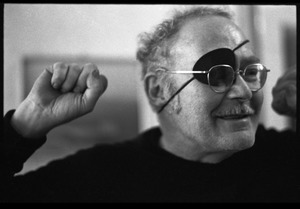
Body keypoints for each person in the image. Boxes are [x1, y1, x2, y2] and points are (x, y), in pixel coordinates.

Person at [1, 6, 298, 202]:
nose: (245, 90)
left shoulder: (288, 159)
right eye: (218, 74)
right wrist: (23, 126)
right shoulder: (99, 178)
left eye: (250, 71)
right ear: (158, 90)